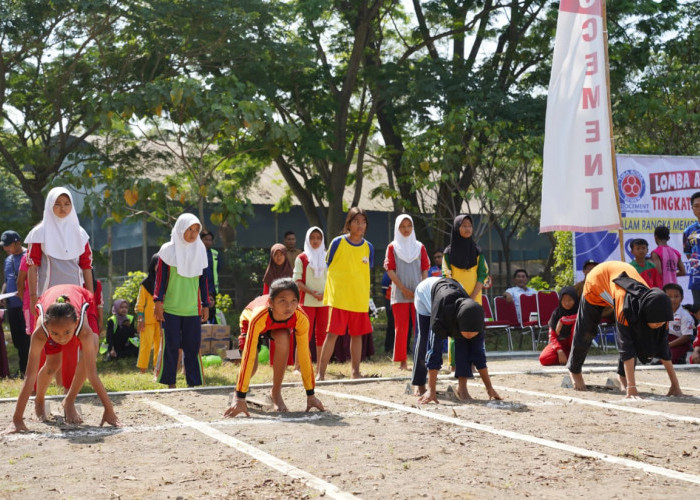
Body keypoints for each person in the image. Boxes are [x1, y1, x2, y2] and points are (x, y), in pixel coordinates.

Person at [3, 284, 120, 433]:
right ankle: (39, 402)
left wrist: (109, 410)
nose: (62, 339)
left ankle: (69, 401)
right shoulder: (40, 332)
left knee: (92, 350)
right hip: (49, 298)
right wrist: (16, 420)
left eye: (66, 333)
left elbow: (92, 374)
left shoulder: (83, 330)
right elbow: (29, 375)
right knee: (53, 364)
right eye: (55, 334)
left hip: (82, 299)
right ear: (46, 325)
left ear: (76, 323)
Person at [566, 261, 683, 399]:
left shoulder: (659, 309)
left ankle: (622, 375)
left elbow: (663, 347)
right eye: (656, 323)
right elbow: (626, 345)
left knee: (637, 336)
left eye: (661, 323)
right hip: (597, 283)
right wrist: (632, 389)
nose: (659, 325)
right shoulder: (625, 308)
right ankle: (574, 370)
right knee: (587, 330)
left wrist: (675, 385)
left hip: (616, 285)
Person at [25, 187, 94, 391]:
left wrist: (90, 295)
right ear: (49, 205)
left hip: (75, 297)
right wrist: (33, 296)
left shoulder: (80, 234)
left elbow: (86, 266)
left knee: (71, 340)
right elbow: (32, 265)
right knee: (43, 338)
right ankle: (36, 389)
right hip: (48, 296)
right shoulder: (39, 233)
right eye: (58, 204)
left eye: (67, 204)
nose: (63, 208)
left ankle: (67, 387)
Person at [225, 278, 324, 416]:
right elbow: (248, 356)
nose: (289, 307)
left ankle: (275, 393)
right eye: (282, 301)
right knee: (252, 365)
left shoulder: (300, 317)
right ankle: (237, 393)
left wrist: (311, 394)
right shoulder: (258, 316)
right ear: (271, 303)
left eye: (293, 301)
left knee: (284, 338)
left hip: (277, 325)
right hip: (252, 321)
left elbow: (304, 356)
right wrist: (240, 396)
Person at [411, 277, 502, 402]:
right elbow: (434, 351)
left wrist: (489, 388)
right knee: (424, 339)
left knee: (463, 345)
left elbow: (478, 355)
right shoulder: (441, 317)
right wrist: (431, 390)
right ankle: (420, 384)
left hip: (454, 293)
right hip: (426, 293)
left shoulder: (475, 319)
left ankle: (462, 388)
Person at [316, 207, 374, 380]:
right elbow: (328, 265)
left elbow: (366, 271)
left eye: (363, 222)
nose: (360, 225)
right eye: (356, 221)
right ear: (348, 223)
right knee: (332, 335)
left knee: (357, 336)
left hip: (359, 299)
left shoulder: (368, 247)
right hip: (339, 299)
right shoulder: (337, 243)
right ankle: (321, 373)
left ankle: (355, 372)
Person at [154, 213, 210, 389]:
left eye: (196, 230)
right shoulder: (167, 251)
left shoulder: (200, 250)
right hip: (170, 309)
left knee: (192, 348)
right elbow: (160, 280)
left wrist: (206, 304)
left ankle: (192, 383)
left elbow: (204, 281)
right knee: (171, 348)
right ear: (180, 229)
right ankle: (171, 383)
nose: (193, 234)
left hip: (192, 310)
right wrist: (158, 302)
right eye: (189, 229)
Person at [442, 214, 489, 369]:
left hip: (475, 298)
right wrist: (461, 297)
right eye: (464, 225)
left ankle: (474, 364)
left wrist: (472, 296)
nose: (467, 228)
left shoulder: (478, 252)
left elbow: (483, 274)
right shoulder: (448, 253)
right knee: (456, 331)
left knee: (475, 331)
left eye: (469, 225)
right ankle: (454, 365)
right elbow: (446, 276)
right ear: (457, 228)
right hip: (456, 299)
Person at [384, 214, 429, 370]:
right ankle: (402, 362)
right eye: (402, 226)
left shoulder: (419, 246)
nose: (406, 229)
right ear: (397, 228)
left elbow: (425, 268)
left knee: (420, 327)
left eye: (409, 226)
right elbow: (389, 270)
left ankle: (421, 359)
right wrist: (403, 288)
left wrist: (421, 289)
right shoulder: (392, 247)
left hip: (418, 295)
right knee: (401, 328)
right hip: (399, 294)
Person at [293, 227, 328, 363]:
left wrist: (324, 294)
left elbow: (331, 279)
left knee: (322, 334)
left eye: (318, 238)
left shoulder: (327, 256)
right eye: (312, 238)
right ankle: (298, 366)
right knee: (303, 334)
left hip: (324, 301)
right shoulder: (301, 258)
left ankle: (321, 364)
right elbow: (297, 281)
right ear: (307, 239)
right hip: (306, 301)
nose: (315, 241)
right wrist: (311, 292)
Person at [1, 230, 30, 377]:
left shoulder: (29, 256)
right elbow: (7, 280)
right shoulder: (8, 260)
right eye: (4, 245)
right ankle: (22, 367)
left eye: (8, 245)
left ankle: (27, 370)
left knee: (27, 339)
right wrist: (2, 295)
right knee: (17, 339)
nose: (6, 248)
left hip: (25, 305)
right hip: (12, 305)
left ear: (18, 242)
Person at [538, 287, 579, 366]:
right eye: (564, 300)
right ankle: (567, 357)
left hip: (575, 344)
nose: (567, 303)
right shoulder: (556, 313)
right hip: (561, 343)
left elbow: (581, 317)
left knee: (577, 323)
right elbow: (552, 336)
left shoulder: (580, 311)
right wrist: (559, 351)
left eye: (570, 300)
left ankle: (575, 356)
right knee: (544, 359)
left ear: (575, 300)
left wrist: (563, 320)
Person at [135, 254, 162, 375]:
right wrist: (140, 319)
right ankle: (142, 370)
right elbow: (140, 303)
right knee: (145, 346)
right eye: (158, 263)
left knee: (159, 345)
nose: (160, 266)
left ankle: (157, 368)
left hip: (162, 319)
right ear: (153, 265)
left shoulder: (165, 283)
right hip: (147, 320)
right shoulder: (145, 283)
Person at [663, 283, 693, 364]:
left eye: (676, 296)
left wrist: (668, 345)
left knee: (669, 358)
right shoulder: (660, 312)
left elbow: (686, 337)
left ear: (682, 298)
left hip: (680, 342)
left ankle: (681, 358)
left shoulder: (685, 315)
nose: (673, 300)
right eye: (669, 296)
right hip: (665, 339)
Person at [200, 230, 221, 324]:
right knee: (200, 309)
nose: (207, 242)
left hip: (211, 288)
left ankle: (213, 332)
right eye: (205, 239)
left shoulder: (215, 253)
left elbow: (218, 269)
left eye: (210, 240)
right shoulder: (196, 253)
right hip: (199, 288)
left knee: (212, 310)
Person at [683, 191, 700, 308]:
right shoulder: (688, 231)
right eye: (696, 206)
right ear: (692, 209)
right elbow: (689, 254)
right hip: (697, 280)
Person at [380, 271, 395, 354]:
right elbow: (384, 288)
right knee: (391, 324)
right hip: (390, 300)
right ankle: (388, 348)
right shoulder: (389, 272)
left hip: (401, 300)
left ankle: (405, 348)